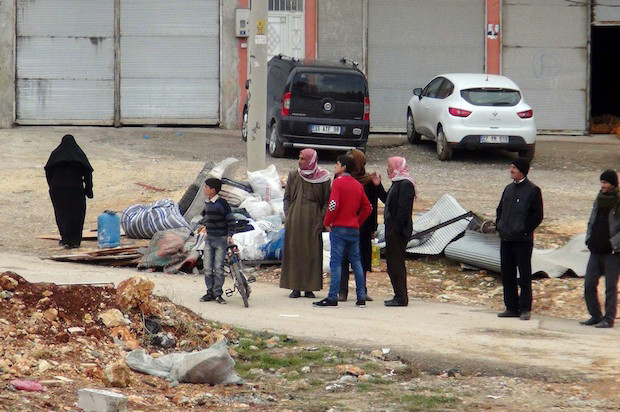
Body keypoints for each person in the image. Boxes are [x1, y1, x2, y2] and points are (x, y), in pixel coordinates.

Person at [314, 155, 372, 308]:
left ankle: (332, 296)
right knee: (357, 262)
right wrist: (357, 222)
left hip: (339, 228)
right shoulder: (358, 185)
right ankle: (361, 296)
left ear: (344, 167)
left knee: (336, 262)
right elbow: (368, 208)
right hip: (353, 229)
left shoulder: (338, 183)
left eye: (337, 164)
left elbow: (333, 204)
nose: (335, 166)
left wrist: (327, 221)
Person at [495, 157, 543, 321]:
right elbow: (500, 210)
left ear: (522, 170)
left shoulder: (533, 190)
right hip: (506, 238)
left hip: (522, 241)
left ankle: (524, 309)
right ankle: (511, 307)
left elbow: (537, 216)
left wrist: (524, 230)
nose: (511, 170)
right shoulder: (508, 189)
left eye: (514, 167)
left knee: (523, 275)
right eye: (511, 166)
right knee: (507, 274)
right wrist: (500, 226)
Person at [280, 149, 331, 298]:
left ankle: (309, 287)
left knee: (312, 253)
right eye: (299, 158)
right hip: (295, 218)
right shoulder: (294, 175)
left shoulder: (323, 178)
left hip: (313, 219)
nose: (300, 161)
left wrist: (321, 218)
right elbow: (287, 197)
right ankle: (295, 287)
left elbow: (327, 201)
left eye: (303, 159)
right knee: (294, 252)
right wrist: (289, 214)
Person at [339, 149, 387, 302]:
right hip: (345, 224)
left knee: (361, 260)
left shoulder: (369, 181)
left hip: (363, 227)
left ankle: (362, 291)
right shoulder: (341, 178)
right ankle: (342, 292)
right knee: (343, 259)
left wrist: (378, 186)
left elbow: (383, 200)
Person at [580, 169, 620, 329]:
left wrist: (613, 243)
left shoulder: (618, 202)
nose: (602, 185)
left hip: (612, 252)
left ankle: (608, 318)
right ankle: (595, 315)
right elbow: (592, 220)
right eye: (601, 182)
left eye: (605, 182)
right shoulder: (599, 199)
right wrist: (589, 238)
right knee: (589, 284)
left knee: (610, 287)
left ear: (613, 184)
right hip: (596, 248)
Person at [44, 134, 94, 249]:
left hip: (58, 190)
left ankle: (65, 238)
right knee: (77, 214)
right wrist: (89, 190)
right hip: (75, 190)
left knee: (61, 214)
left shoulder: (55, 155)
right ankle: (75, 240)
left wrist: (51, 186)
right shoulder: (79, 155)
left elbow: (48, 171)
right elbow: (88, 172)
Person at [383, 157, 416, 307]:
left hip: (398, 231)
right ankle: (398, 294)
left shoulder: (406, 184)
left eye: (389, 166)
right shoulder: (397, 182)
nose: (388, 169)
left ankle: (401, 297)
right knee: (392, 264)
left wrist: (395, 230)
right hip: (392, 229)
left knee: (396, 264)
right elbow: (389, 202)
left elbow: (403, 210)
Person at [198, 178, 236, 304]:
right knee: (208, 267)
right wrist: (203, 226)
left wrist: (230, 234)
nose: (204, 189)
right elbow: (205, 216)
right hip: (209, 239)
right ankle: (210, 292)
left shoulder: (222, 203)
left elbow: (231, 220)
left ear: (213, 190)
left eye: (206, 187)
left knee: (218, 268)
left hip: (220, 240)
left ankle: (218, 293)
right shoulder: (207, 203)